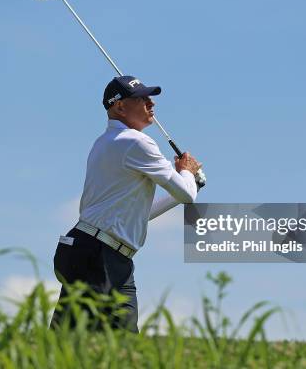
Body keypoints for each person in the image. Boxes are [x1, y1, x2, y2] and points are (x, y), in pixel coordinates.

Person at [51, 75, 202, 333]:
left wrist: (191, 182)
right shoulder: (136, 142)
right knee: (75, 343)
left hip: (108, 256)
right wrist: (187, 173)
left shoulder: (104, 142)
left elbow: (140, 213)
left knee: (121, 345)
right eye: (141, 98)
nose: (150, 102)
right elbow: (185, 194)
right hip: (98, 255)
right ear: (119, 107)